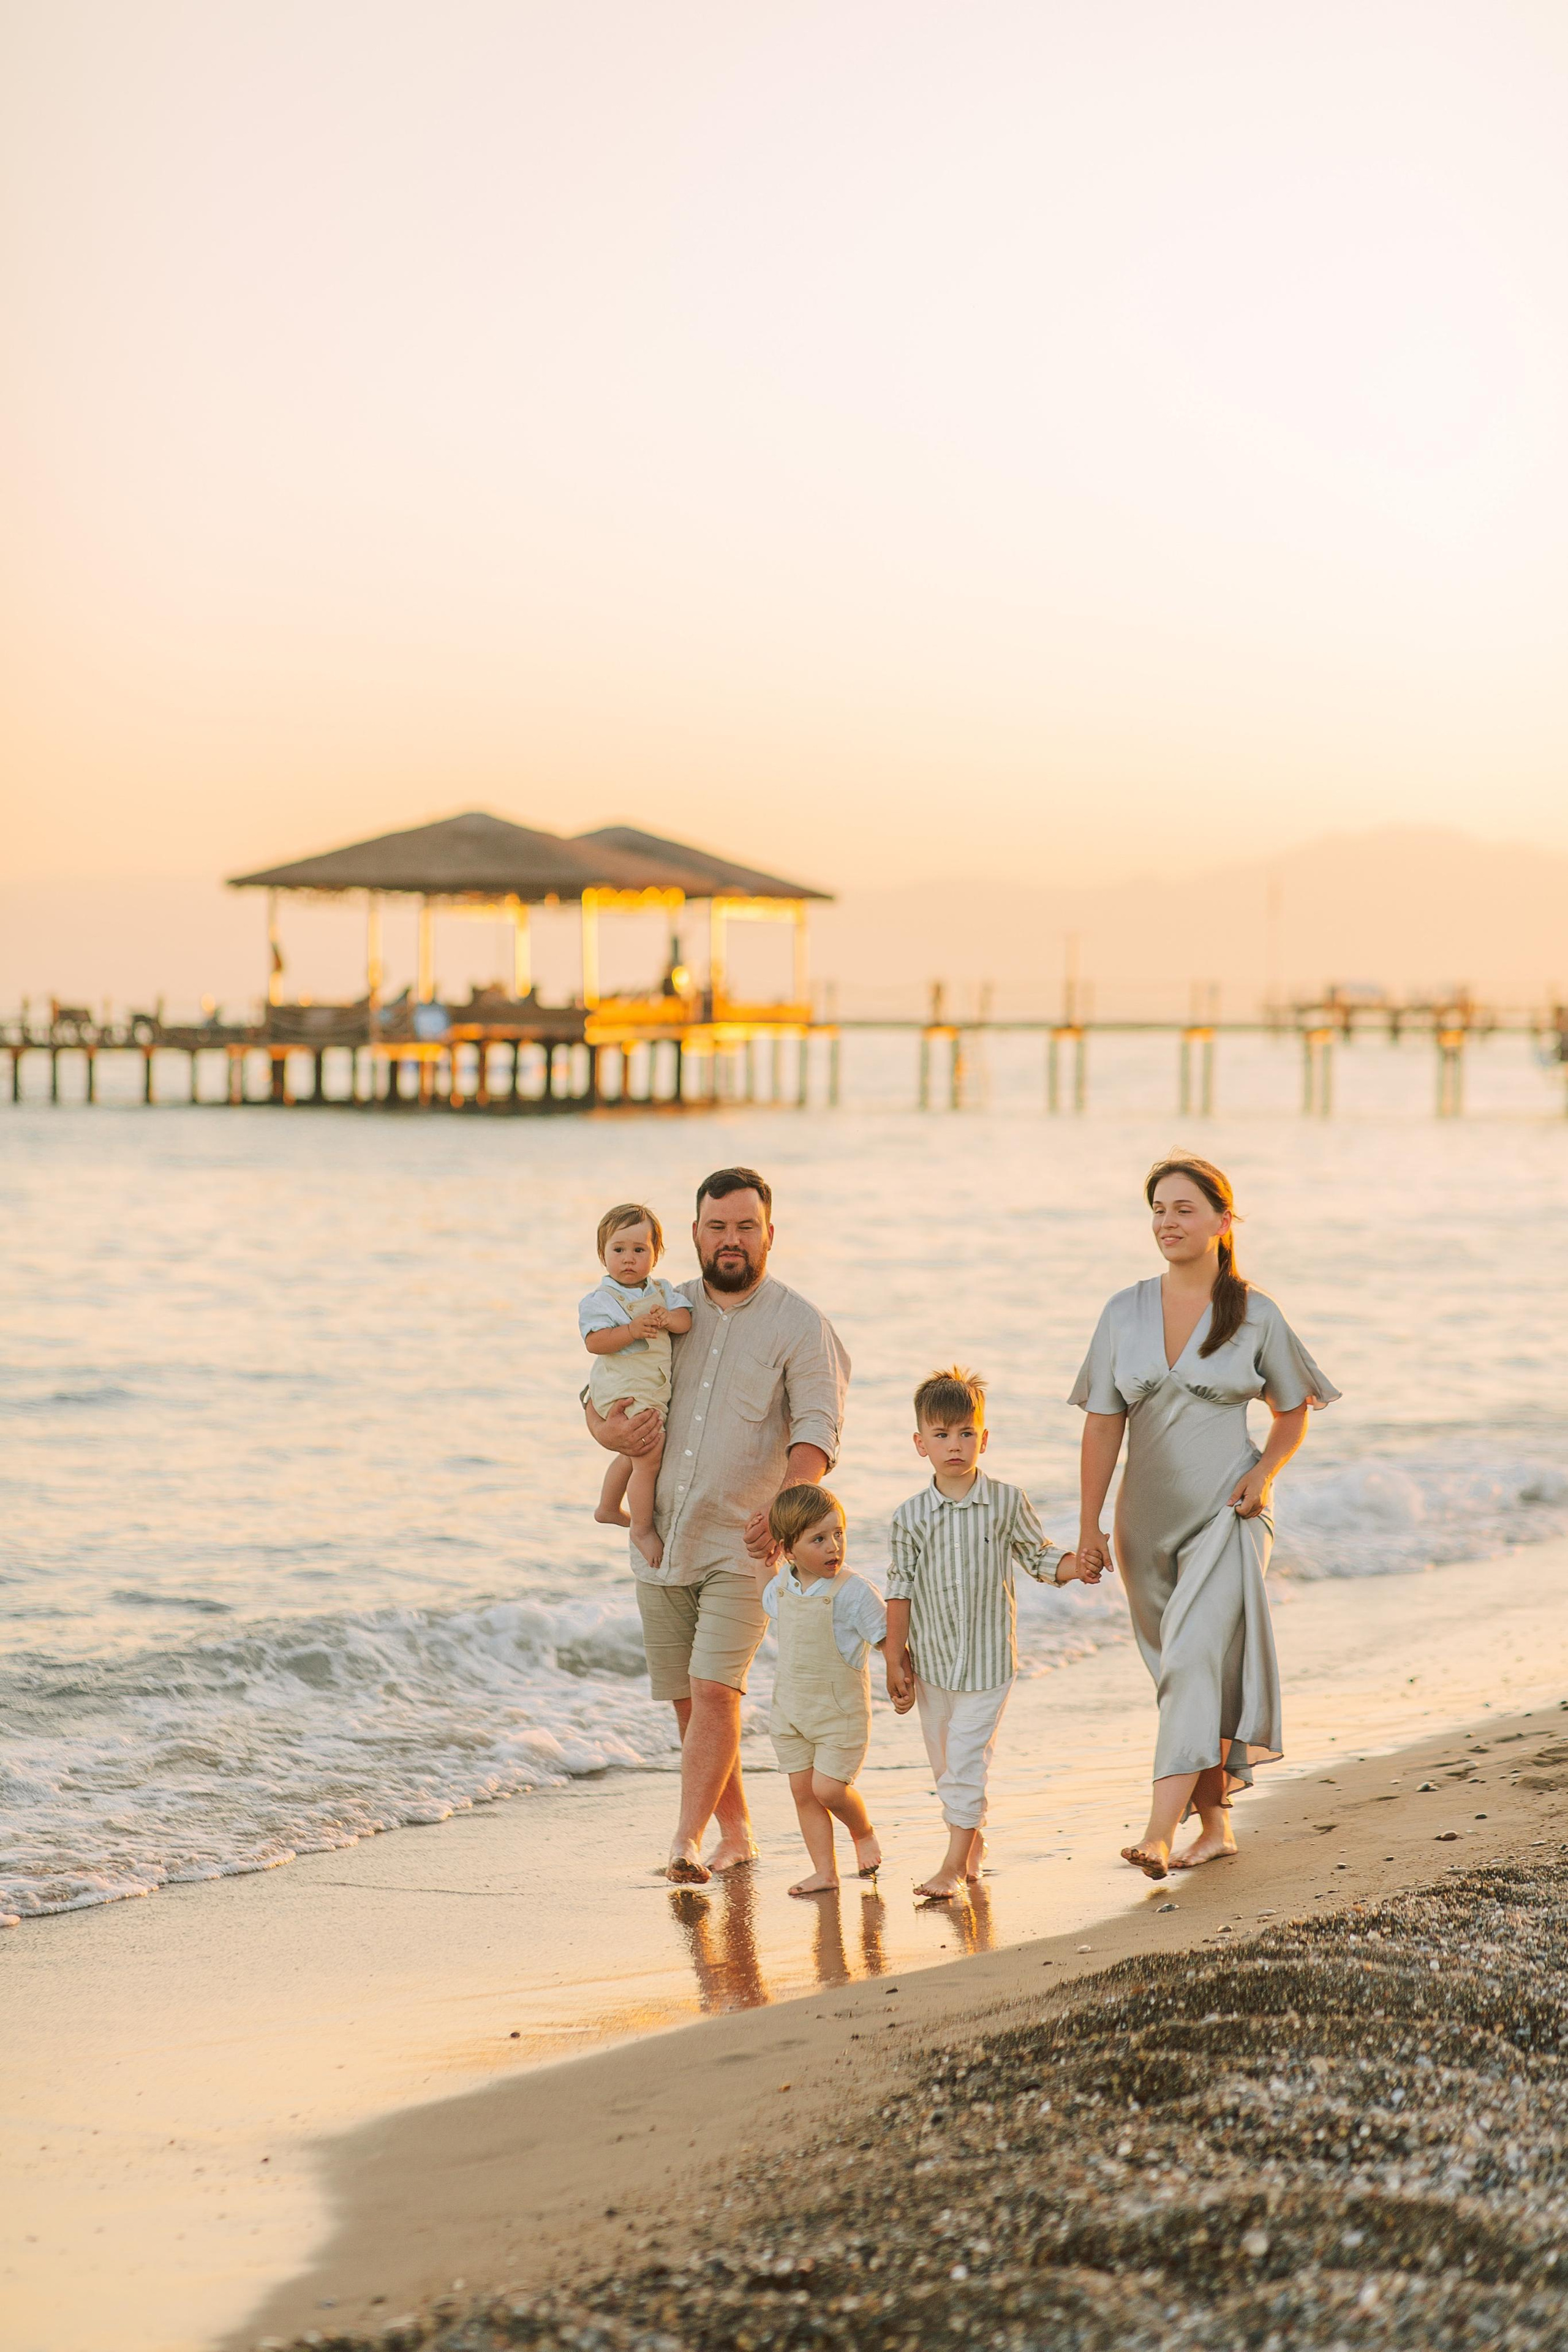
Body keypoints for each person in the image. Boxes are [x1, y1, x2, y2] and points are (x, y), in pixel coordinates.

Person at [1071, 1155, 1339, 1882]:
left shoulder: (1255, 1313)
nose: (1166, 1222)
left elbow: (1291, 1414)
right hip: (1141, 1526)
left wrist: (1264, 1473)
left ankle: (1157, 1833)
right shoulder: (1121, 1311)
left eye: (1183, 1209)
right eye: (1157, 1209)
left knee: (1190, 1661)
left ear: (1223, 1221)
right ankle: (1215, 1827)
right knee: (1182, 1673)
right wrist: (1090, 1526)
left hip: (1230, 1509)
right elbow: (1102, 1426)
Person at [585, 1167, 850, 1885]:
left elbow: (819, 1431)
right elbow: (601, 1394)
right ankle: (736, 1832)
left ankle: (684, 1842)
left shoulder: (800, 1324)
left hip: (747, 1542)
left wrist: (787, 1511)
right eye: (716, 1227)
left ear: (768, 1234)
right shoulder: (663, 1309)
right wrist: (607, 1434)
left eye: (745, 1226)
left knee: (714, 1691)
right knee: (687, 1695)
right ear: (696, 1233)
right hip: (662, 1536)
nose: (730, 1240)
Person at [883, 1366, 1102, 1901]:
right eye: (941, 1435)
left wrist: (1081, 1566)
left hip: (987, 1665)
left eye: (965, 1433)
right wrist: (896, 1657)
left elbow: (1039, 1556)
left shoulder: (1007, 1501)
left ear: (984, 1438)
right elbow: (899, 1588)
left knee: (964, 1760)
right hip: (932, 1663)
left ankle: (954, 1865)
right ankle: (971, 1843)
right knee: (946, 1764)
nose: (954, 1445)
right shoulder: (909, 1517)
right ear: (920, 1444)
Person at [756, 1483, 886, 1898]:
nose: (834, 1546)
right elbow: (772, 1606)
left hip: (839, 1714)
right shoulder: (780, 1588)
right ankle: (825, 1872)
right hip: (791, 1714)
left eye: (838, 1533)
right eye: (819, 1539)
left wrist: (904, 1679)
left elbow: (888, 1639)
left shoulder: (854, 1592)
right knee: (802, 1792)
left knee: (829, 1790)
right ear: (789, 1551)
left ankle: (863, 1832)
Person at [579, 1202, 693, 1569]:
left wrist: (669, 1318)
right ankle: (642, 1529)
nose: (629, 1258)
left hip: (649, 1387)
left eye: (639, 1250)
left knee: (632, 1454)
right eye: (619, 1250)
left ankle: (608, 1507)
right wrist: (629, 1330)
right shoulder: (601, 1301)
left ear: (655, 1255)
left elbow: (685, 1321)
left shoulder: (662, 1291)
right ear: (603, 1255)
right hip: (624, 1388)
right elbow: (594, 1343)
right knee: (648, 1457)